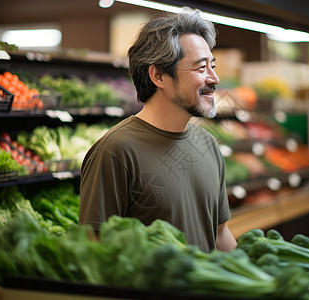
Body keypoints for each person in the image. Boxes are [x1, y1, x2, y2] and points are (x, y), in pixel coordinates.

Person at [79, 7, 237, 253]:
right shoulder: (115, 152)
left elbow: (219, 235)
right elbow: (94, 249)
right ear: (159, 75)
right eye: (200, 67)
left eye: (212, 65)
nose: (214, 78)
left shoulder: (208, 144)